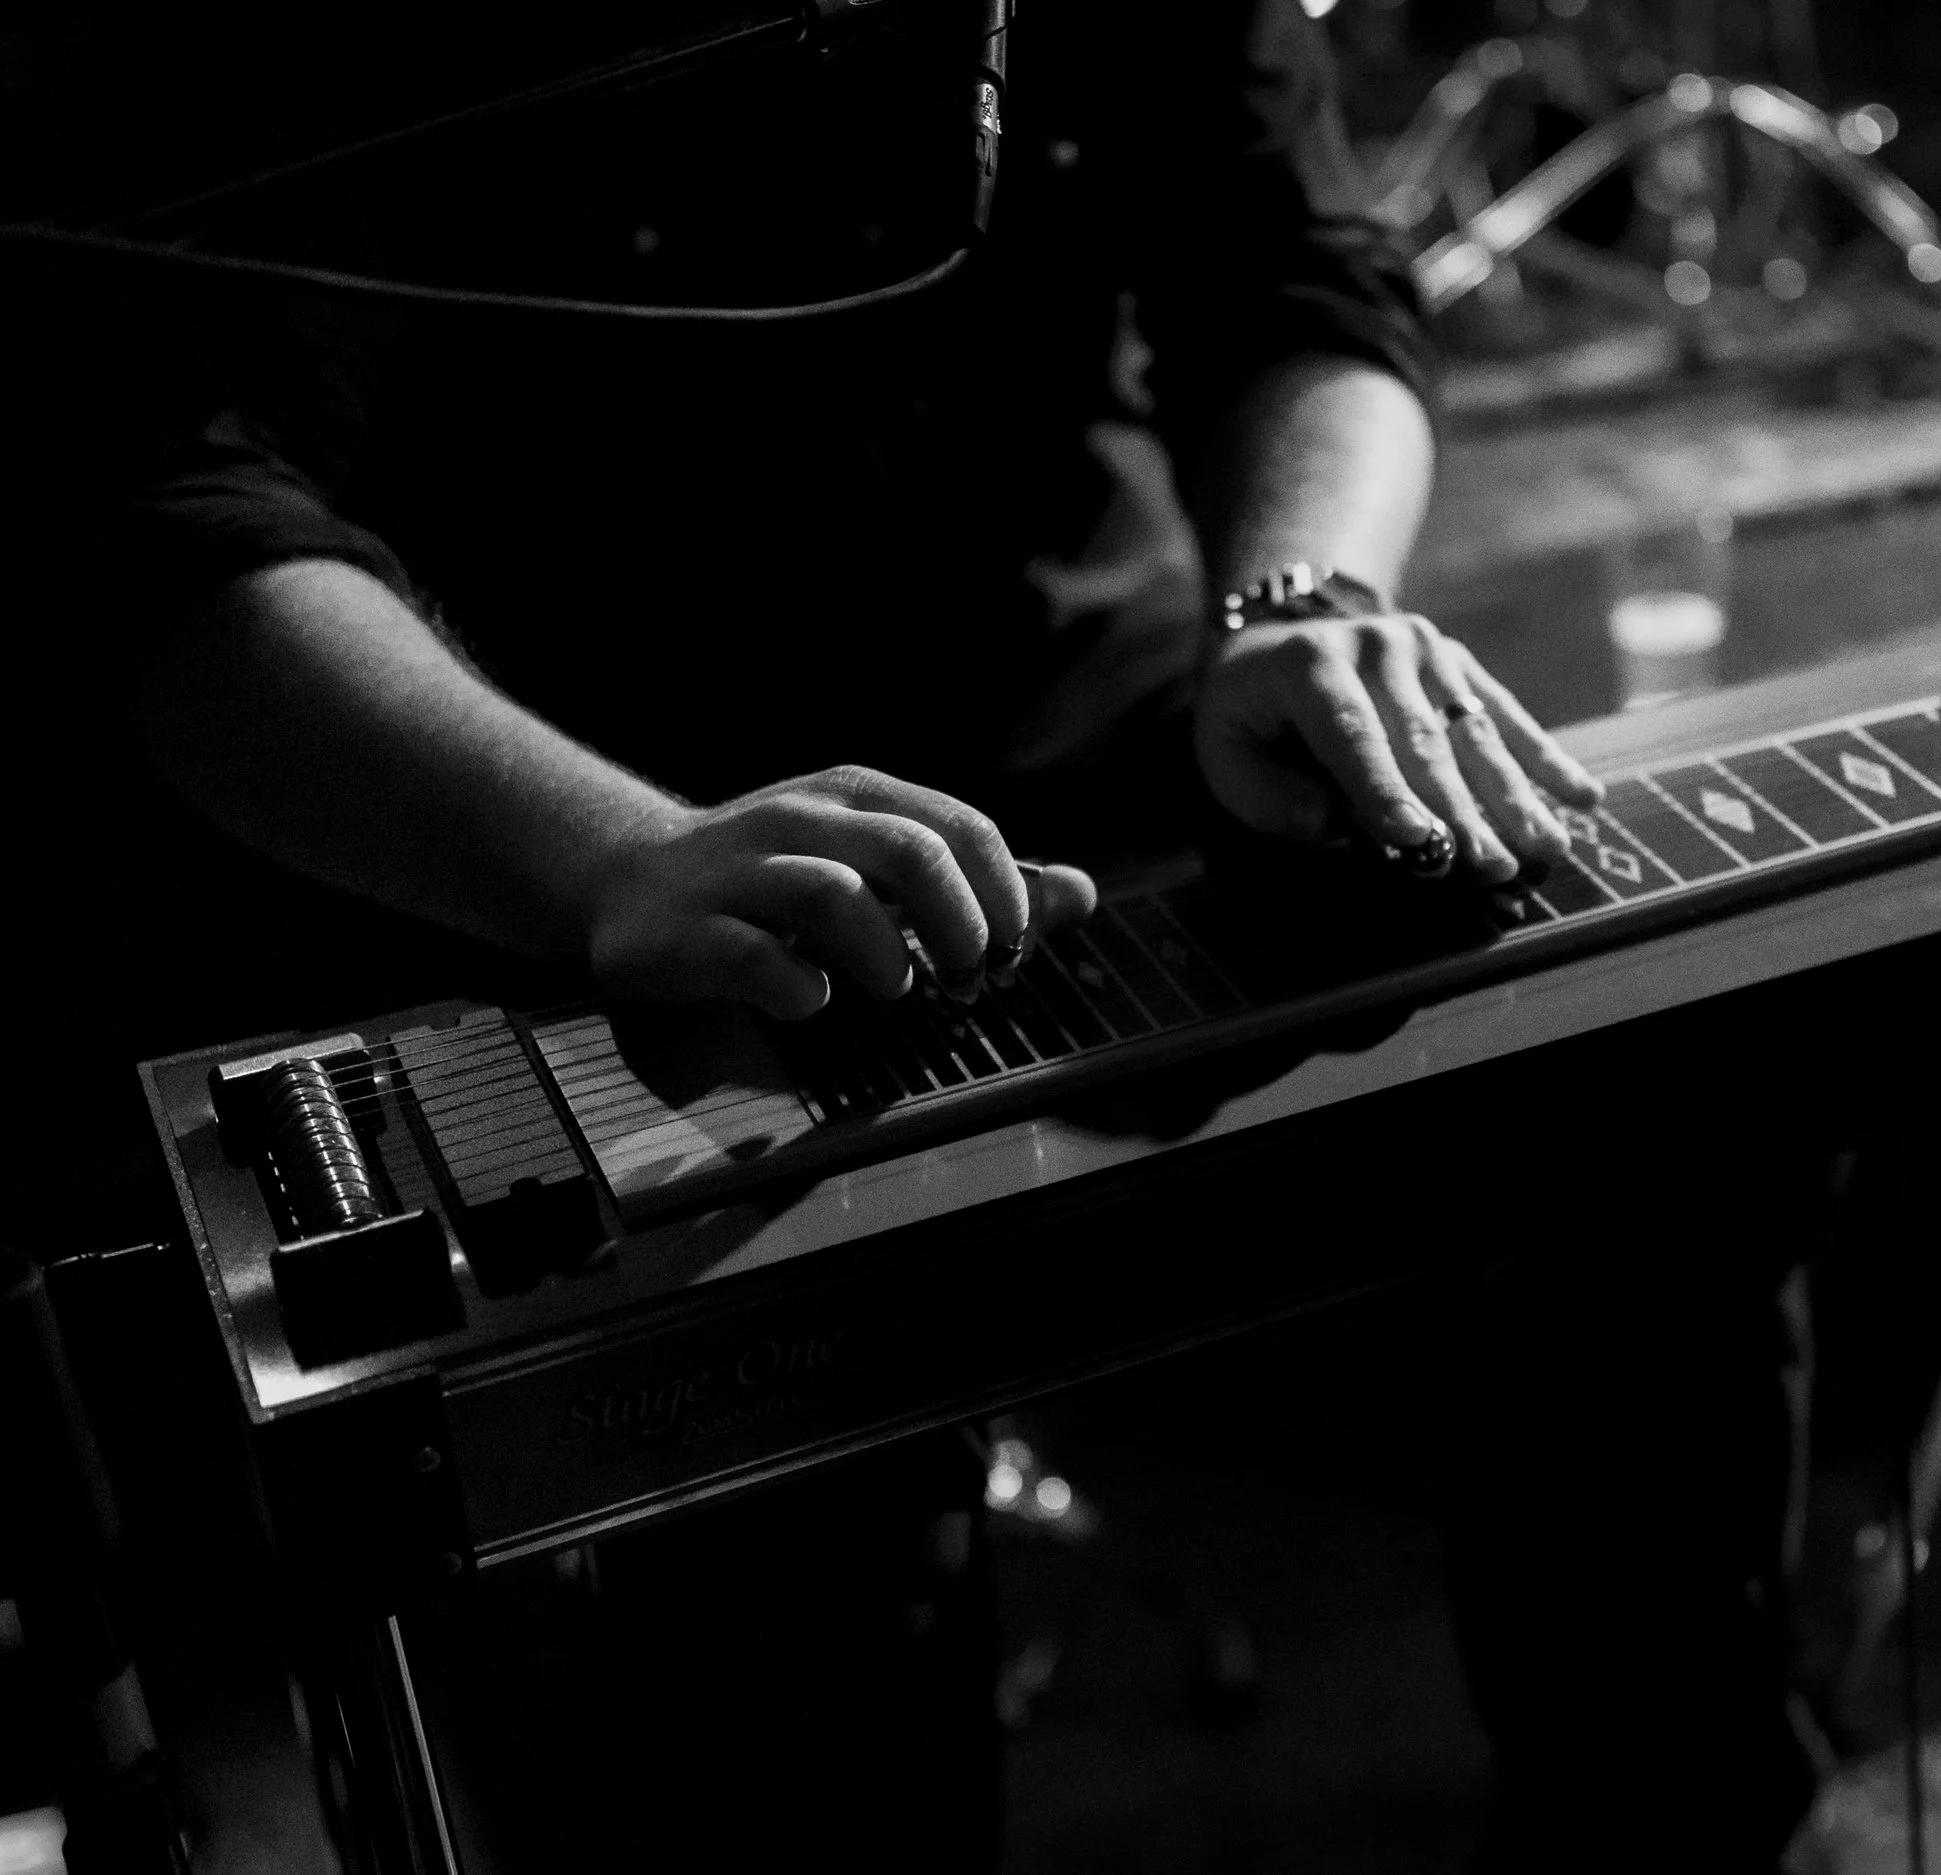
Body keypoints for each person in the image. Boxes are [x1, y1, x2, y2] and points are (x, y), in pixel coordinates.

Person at [11, 2, 1811, 1866]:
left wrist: (1300, 596)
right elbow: (165, 520)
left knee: (1649, 1124)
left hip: (1119, 755)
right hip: (577, 844)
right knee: (786, 1517)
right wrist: (616, 861)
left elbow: (1297, 277)